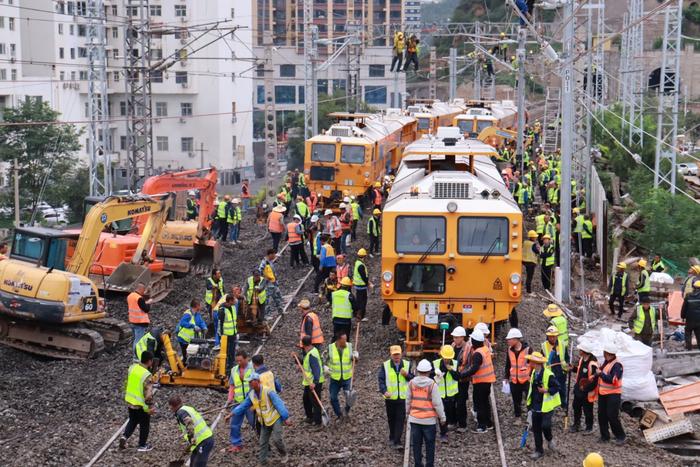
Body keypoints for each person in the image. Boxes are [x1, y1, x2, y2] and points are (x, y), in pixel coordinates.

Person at [228, 372, 290, 465]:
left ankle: (284, 454)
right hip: (264, 421)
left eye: (251, 382)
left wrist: (285, 417)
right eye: (249, 382)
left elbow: (279, 404)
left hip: (274, 418)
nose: (249, 384)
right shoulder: (251, 395)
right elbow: (243, 406)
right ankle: (263, 461)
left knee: (277, 439)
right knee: (263, 442)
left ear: (257, 381)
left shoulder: (268, 391)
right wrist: (231, 414)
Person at [407, 359, 446, 467]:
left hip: (415, 419)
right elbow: (437, 403)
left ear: (418, 370)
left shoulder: (411, 383)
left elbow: (408, 400)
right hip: (429, 421)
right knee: (430, 445)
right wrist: (442, 418)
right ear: (429, 371)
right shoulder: (432, 385)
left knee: (416, 444)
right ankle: (429, 465)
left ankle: (418, 464)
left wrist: (407, 414)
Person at [525, 351, 561, 460]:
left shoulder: (548, 375)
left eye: (532, 362)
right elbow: (532, 390)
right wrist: (530, 406)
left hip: (547, 407)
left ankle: (549, 439)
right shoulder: (533, 374)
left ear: (537, 363)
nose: (530, 363)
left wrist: (546, 390)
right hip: (536, 405)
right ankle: (539, 450)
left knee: (545, 426)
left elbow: (557, 387)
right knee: (536, 429)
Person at [378, 345, 413, 449]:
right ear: (391, 355)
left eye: (398, 354)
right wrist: (384, 391)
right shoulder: (385, 365)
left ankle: (397, 441)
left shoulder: (407, 365)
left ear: (401, 353)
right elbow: (381, 380)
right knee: (391, 418)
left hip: (402, 398)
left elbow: (413, 380)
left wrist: (406, 375)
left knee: (400, 419)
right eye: (394, 354)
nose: (396, 356)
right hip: (390, 398)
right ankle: (392, 436)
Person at [460, 329, 495, 433]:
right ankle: (488, 423)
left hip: (481, 382)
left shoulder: (477, 354)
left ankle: (481, 426)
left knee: (479, 403)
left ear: (475, 341)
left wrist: (463, 374)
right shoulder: (485, 349)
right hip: (487, 381)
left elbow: (474, 368)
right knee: (485, 402)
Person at [119, 351, 155, 452]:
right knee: (145, 424)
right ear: (149, 361)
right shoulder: (147, 375)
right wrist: (150, 407)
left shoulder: (132, 367)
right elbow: (148, 395)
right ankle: (142, 445)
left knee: (133, 420)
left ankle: (125, 437)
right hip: (141, 405)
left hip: (130, 401)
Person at [169, 396, 214, 466]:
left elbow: (189, 421)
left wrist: (192, 436)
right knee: (193, 462)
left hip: (204, 440)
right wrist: (190, 445)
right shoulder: (187, 408)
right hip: (198, 442)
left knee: (199, 465)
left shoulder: (181, 413)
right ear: (181, 402)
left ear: (171, 407)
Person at [595, 344, 626, 445]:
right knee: (601, 415)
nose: (603, 354)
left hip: (613, 394)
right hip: (603, 393)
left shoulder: (617, 365)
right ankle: (605, 436)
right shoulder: (607, 362)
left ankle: (620, 436)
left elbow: (613, 380)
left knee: (612, 415)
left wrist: (601, 374)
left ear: (608, 354)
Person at [227, 351, 255, 453]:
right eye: (237, 360)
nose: (239, 362)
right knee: (234, 424)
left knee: (254, 422)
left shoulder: (253, 368)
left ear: (246, 358)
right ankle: (237, 444)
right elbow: (232, 385)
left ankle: (264, 440)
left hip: (251, 402)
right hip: (238, 402)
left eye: (241, 360)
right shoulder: (234, 370)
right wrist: (230, 399)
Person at [327, 332, 358, 419]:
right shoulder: (330, 348)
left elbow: (354, 360)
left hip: (347, 377)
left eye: (346, 339)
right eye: (343, 340)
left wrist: (356, 357)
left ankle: (346, 411)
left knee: (350, 397)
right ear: (338, 340)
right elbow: (323, 360)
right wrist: (325, 368)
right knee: (333, 398)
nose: (345, 341)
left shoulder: (349, 346)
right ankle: (339, 414)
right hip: (335, 378)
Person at [431, 345, 458, 442]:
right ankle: (444, 433)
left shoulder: (455, 364)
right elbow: (430, 379)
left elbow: (457, 377)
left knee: (449, 412)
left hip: (451, 394)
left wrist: (451, 370)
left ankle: (448, 427)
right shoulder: (435, 364)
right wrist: (436, 376)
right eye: (445, 358)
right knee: (441, 414)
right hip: (439, 394)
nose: (447, 360)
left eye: (449, 358)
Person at [571, 341, 598, 434]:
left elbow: (594, 380)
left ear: (584, 351)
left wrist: (586, 389)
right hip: (579, 389)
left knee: (588, 410)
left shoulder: (592, 364)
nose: (579, 350)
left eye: (580, 349)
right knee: (576, 406)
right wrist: (573, 368)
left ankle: (589, 427)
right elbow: (580, 370)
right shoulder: (582, 359)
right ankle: (576, 424)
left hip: (587, 392)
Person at [504, 328, 531, 418]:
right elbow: (508, 364)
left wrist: (532, 376)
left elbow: (533, 364)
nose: (508, 341)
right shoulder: (509, 350)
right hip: (515, 380)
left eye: (510, 339)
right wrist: (506, 377)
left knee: (529, 399)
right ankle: (518, 416)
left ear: (516, 339)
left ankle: (530, 417)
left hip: (526, 380)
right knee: (516, 400)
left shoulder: (528, 349)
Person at [541, 325, 569, 406]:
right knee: (552, 389)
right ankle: (552, 405)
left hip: (561, 372)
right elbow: (542, 360)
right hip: (550, 373)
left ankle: (563, 404)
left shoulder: (562, 345)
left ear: (557, 336)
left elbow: (566, 357)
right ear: (547, 336)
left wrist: (567, 365)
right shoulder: (544, 346)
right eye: (550, 336)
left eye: (554, 336)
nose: (552, 338)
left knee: (562, 389)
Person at [301, 335, 325, 425]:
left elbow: (316, 369)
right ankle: (310, 417)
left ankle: (318, 422)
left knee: (315, 402)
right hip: (309, 382)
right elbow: (307, 365)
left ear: (304, 345)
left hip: (314, 382)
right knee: (306, 399)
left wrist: (315, 382)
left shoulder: (312, 354)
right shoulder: (312, 351)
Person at [177, 299, 208, 363]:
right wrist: (193, 326)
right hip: (184, 339)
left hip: (192, 339)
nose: (201, 307)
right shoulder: (188, 314)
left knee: (194, 354)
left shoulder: (197, 314)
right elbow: (182, 323)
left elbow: (201, 321)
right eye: (200, 305)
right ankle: (185, 366)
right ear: (197, 306)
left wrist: (204, 327)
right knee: (186, 356)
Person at [451, 326, 469, 432]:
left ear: (462, 337)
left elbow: (469, 363)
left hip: (462, 379)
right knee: (452, 401)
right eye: (454, 337)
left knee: (461, 402)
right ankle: (453, 421)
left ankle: (462, 425)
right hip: (453, 379)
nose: (455, 340)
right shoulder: (452, 346)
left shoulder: (467, 348)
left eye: (457, 337)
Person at [217, 294, 239, 373]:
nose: (235, 301)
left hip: (233, 333)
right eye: (233, 300)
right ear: (230, 301)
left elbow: (234, 320)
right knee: (226, 351)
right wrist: (221, 335)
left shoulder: (233, 307)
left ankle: (231, 364)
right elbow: (220, 324)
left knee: (232, 350)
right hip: (225, 335)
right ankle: (226, 366)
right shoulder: (222, 310)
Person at [127, 283, 152, 350]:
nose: (144, 292)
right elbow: (146, 309)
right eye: (143, 290)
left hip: (133, 321)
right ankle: (136, 357)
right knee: (138, 341)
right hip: (140, 323)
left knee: (135, 339)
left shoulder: (130, 296)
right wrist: (149, 303)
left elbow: (137, 305)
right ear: (141, 289)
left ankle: (135, 354)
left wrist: (145, 302)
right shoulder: (139, 298)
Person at [259, 249, 283, 315]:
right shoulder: (264, 262)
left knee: (278, 297)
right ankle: (267, 314)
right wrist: (265, 278)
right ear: (270, 255)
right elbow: (259, 272)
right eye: (273, 255)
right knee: (267, 300)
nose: (274, 256)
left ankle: (281, 311)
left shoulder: (270, 261)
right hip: (268, 284)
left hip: (274, 283)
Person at [353, 248, 372, 322]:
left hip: (358, 285)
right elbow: (363, 276)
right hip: (361, 286)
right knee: (363, 301)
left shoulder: (357, 262)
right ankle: (361, 316)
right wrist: (368, 284)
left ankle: (356, 313)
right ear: (364, 256)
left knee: (358, 300)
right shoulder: (361, 265)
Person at [680, 280, 700, 350]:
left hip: (689, 318)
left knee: (688, 332)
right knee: (698, 333)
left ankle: (688, 348)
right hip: (699, 319)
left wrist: (682, 316)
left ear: (694, 287)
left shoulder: (688, 295)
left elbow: (684, 307)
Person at [205, 269, 225, 335]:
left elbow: (223, 288)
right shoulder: (209, 280)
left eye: (220, 273)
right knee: (212, 314)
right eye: (218, 274)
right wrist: (213, 287)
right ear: (214, 275)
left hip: (220, 299)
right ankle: (213, 327)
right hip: (211, 301)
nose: (220, 275)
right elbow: (209, 286)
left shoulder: (221, 279)